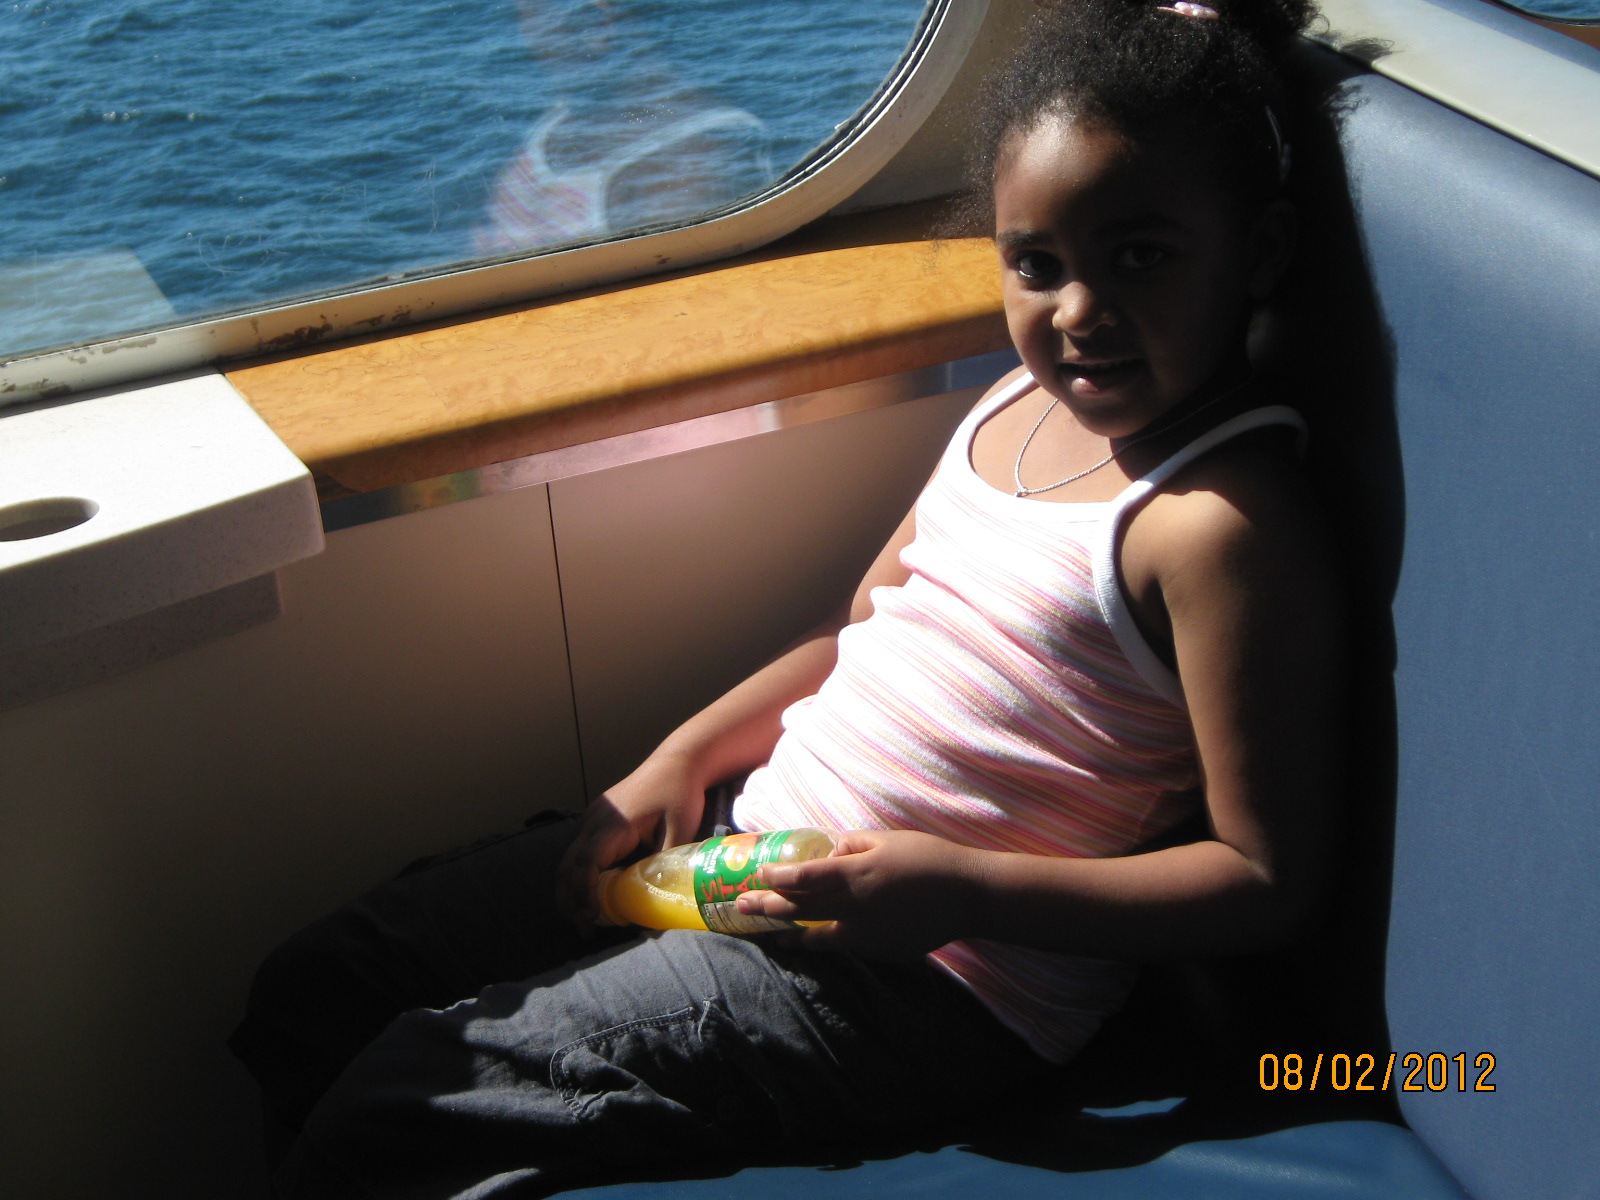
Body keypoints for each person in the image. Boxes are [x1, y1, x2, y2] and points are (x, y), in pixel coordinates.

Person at [231, 1, 1346, 1195]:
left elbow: (1262, 880)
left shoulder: (1214, 528)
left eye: (1142, 257)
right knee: (325, 984)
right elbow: (853, 640)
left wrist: (958, 891)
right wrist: (681, 757)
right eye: (1037, 264)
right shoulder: (1009, 412)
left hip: (927, 987)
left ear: (1258, 253)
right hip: (753, 843)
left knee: (407, 1103)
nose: (1078, 312)